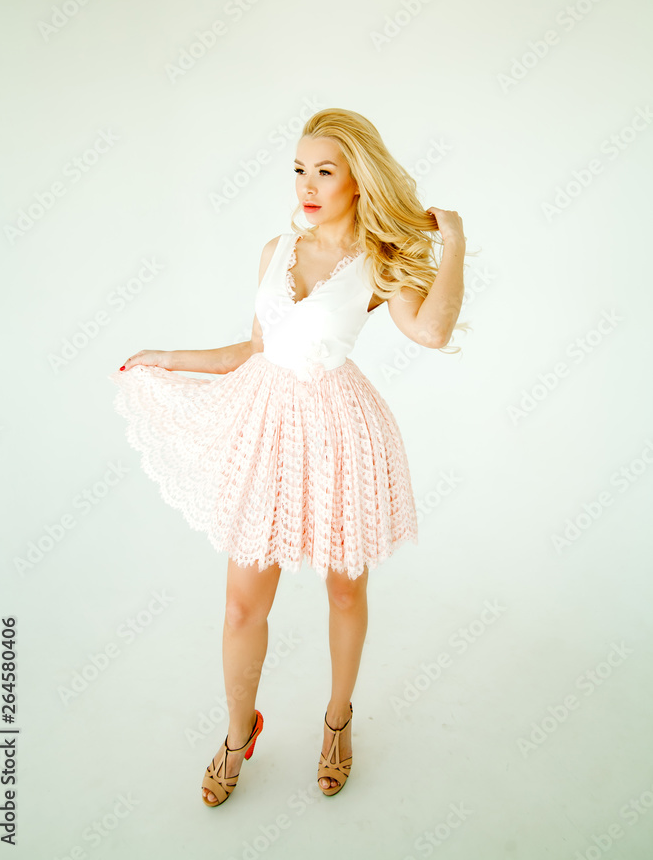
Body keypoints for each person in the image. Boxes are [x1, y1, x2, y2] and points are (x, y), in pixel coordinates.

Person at [107, 107, 467, 807]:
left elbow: (429, 330)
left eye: (324, 170)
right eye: (299, 169)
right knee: (243, 606)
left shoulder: (378, 261)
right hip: (266, 430)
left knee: (343, 590)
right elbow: (254, 348)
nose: (306, 183)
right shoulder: (276, 249)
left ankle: (337, 723)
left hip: (338, 434)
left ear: (357, 180)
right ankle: (240, 733)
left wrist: (452, 242)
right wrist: (167, 358)